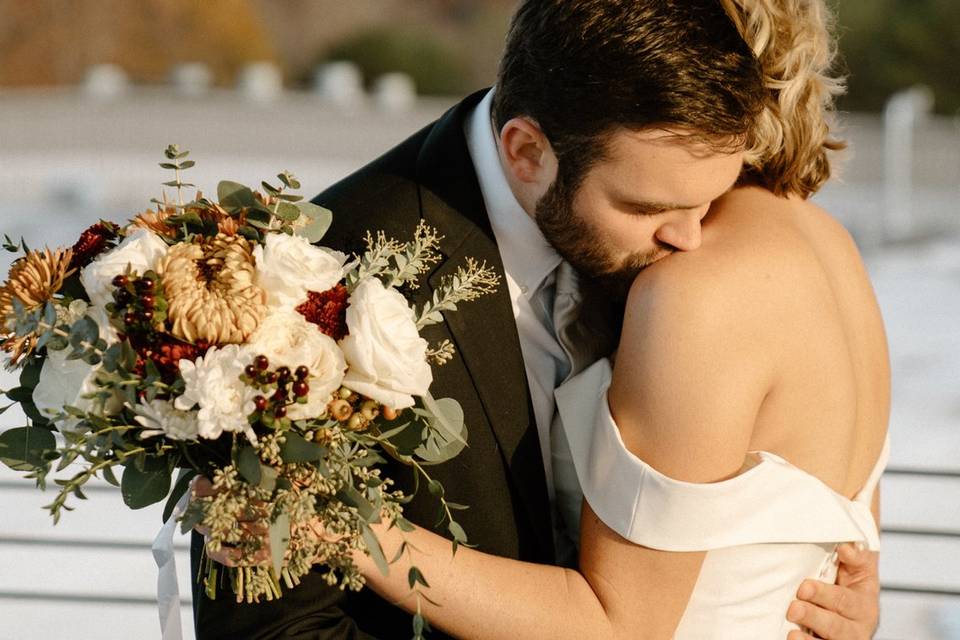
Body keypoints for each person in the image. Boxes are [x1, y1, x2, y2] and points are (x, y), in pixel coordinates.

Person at [192, 1, 883, 638]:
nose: (689, 237)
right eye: (644, 209)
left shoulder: (697, 265)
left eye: (705, 200)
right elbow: (274, 629)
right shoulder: (318, 279)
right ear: (526, 151)